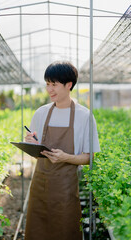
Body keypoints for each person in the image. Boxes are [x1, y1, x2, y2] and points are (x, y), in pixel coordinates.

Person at [24, 61, 100, 240]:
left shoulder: (84, 116)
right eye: (47, 84)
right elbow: (36, 151)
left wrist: (66, 157)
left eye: (54, 84)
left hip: (65, 189)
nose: (50, 89)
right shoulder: (41, 113)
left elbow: (89, 157)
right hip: (39, 185)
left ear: (69, 85)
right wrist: (30, 143)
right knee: (37, 231)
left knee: (65, 231)